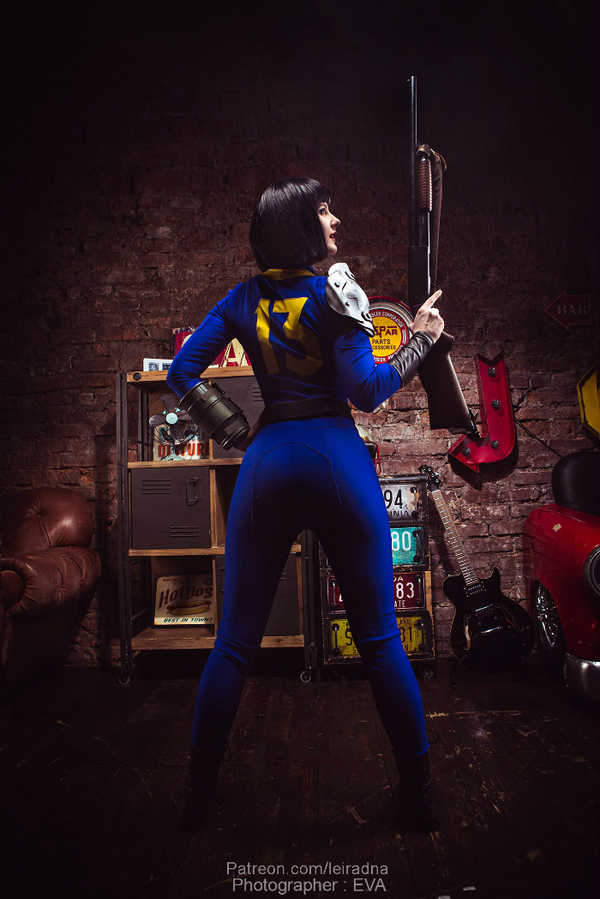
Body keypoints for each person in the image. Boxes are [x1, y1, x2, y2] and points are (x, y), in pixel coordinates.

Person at [166, 177, 444, 833]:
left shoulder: (240, 298)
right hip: (336, 458)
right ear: (298, 225)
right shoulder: (335, 290)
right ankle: (423, 798)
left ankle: (196, 800)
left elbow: (181, 374)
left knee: (234, 644)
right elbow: (367, 391)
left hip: (268, 459)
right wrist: (422, 339)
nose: (335, 219)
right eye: (323, 210)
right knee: (381, 641)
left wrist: (237, 431)